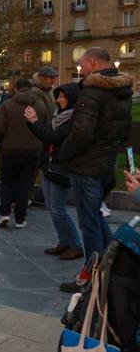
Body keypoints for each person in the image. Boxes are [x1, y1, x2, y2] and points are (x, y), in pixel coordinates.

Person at [58, 47, 133, 293]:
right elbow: (124, 129)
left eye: (82, 65)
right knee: (96, 216)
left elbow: (81, 131)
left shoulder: (93, 91)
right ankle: (110, 267)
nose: (81, 70)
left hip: (87, 164)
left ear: (91, 63)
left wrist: (63, 154)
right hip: (106, 161)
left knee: (88, 222)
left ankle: (92, 278)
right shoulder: (122, 91)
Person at [24, 83, 84, 261]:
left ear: (71, 98)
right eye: (57, 96)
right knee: (51, 206)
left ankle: (76, 245)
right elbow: (46, 134)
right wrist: (32, 123)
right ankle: (63, 241)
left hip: (61, 167)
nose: (58, 100)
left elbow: (53, 137)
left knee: (58, 209)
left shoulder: (74, 118)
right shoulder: (59, 115)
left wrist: (34, 122)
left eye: (61, 96)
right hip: (49, 164)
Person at [0, 79, 47, 229]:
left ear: (16, 89)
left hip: (10, 150)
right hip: (33, 152)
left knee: (7, 182)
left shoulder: (8, 105)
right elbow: (46, 128)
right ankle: (20, 219)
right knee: (24, 185)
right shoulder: (40, 106)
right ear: (30, 89)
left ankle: (4, 213)